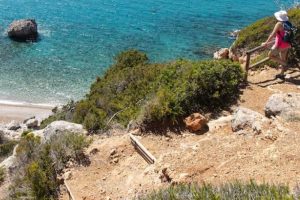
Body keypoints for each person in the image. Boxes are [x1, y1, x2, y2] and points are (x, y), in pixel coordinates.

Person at [262, 10, 291, 79]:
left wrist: (266, 43)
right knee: (282, 59)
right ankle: (282, 74)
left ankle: (286, 64)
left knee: (270, 55)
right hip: (288, 43)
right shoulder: (288, 23)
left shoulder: (279, 24)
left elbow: (272, 34)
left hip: (280, 44)